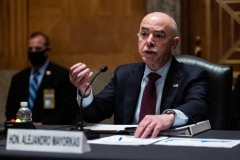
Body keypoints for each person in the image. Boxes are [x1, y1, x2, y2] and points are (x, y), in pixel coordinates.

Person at [69, 12, 209, 138]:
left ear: (173, 43)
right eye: (144, 34)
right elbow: (95, 113)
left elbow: (198, 105)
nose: (149, 41)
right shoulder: (124, 74)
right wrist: (84, 91)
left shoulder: (193, 75)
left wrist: (169, 117)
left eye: (158, 36)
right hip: (127, 148)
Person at [6, 32, 77, 125]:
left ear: (47, 50)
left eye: (38, 48)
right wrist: (19, 123)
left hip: (51, 130)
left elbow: (67, 108)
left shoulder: (63, 76)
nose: (34, 51)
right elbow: (10, 109)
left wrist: (43, 123)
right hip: (21, 130)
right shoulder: (18, 78)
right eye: (30, 49)